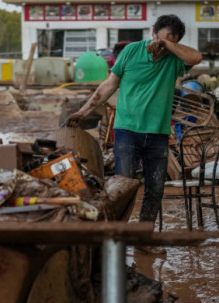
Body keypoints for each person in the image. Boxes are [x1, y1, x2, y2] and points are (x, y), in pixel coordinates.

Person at [66, 15, 202, 226]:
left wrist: (167, 44)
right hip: (127, 131)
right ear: (152, 33)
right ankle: (117, 239)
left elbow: (196, 58)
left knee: (155, 189)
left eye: (171, 42)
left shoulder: (175, 58)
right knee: (122, 188)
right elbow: (109, 85)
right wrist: (83, 112)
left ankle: (144, 238)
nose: (163, 46)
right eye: (161, 38)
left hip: (158, 134)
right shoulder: (131, 51)